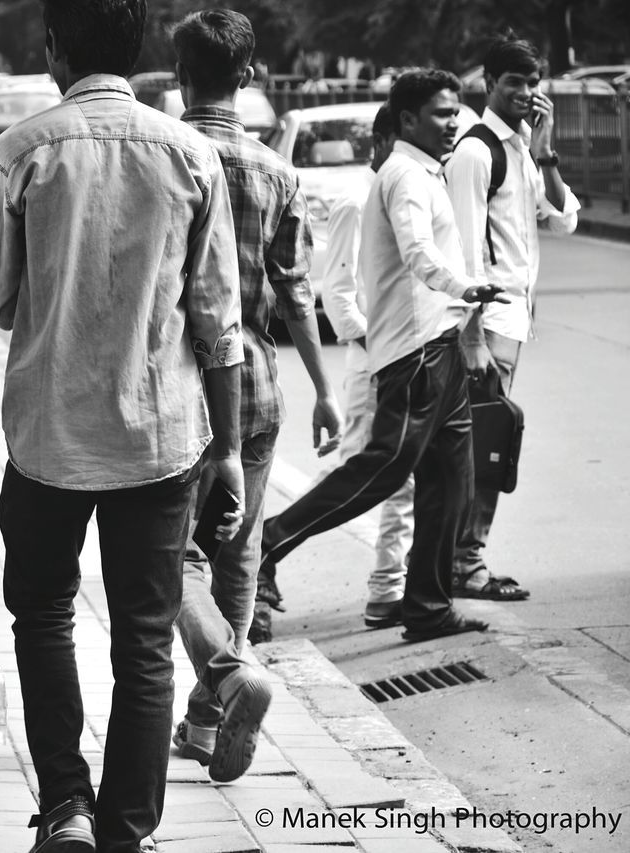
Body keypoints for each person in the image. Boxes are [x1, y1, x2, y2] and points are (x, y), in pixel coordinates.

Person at [0, 2, 246, 849]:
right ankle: (127, 828)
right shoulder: (192, 154)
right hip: (160, 440)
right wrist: (229, 451)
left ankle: (67, 807)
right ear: (138, 54)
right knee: (144, 638)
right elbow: (219, 318)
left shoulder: (19, 152)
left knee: (45, 615)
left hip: (49, 437)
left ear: (54, 49)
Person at [258, 69, 511, 643]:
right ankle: (267, 543)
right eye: (444, 114)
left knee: (451, 481)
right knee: (379, 472)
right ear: (407, 120)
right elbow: (417, 248)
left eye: (456, 113)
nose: (455, 123)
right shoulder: (402, 175)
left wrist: (464, 323)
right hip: (415, 354)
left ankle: (425, 607)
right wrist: (464, 287)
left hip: (440, 349)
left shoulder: (425, 171)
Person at [166, 8, 341, 774]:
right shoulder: (278, 170)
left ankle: (222, 680)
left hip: (177, 392)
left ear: (178, 75)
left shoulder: (165, 157)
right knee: (238, 552)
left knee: (169, 553)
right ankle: (208, 720)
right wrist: (326, 388)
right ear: (246, 78)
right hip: (261, 388)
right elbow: (297, 292)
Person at [444, 33, 579, 602]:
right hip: (489, 325)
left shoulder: (524, 147)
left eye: (533, 83)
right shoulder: (477, 151)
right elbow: (465, 253)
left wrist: (544, 150)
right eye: (514, 83)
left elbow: (564, 219)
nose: (526, 93)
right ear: (488, 83)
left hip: (514, 324)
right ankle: (464, 566)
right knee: (486, 446)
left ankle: (458, 563)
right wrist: (472, 333)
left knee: (487, 446)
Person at [299, 102, 415, 632]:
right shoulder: (356, 201)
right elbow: (339, 298)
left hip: (410, 359)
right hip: (373, 362)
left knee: (405, 477)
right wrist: (380, 340)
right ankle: (267, 547)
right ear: (384, 141)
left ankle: (391, 588)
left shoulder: (414, 192)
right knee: (354, 476)